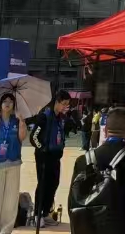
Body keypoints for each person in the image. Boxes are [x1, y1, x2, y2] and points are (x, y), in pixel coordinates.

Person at [28, 89, 71, 230]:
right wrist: (42, 148)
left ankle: (46, 212)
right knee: (43, 184)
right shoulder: (44, 116)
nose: (65, 107)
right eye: (64, 104)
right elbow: (33, 137)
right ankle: (37, 215)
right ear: (57, 102)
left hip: (55, 156)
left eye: (67, 104)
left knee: (54, 183)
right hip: (43, 156)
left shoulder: (60, 118)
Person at [0, 92, 27, 234]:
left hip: (14, 161)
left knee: (11, 199)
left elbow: (22, 138)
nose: (8, 103)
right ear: (0, 104)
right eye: (5, 100)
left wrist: (22, 121)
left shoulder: (16, 120)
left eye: (11, 101)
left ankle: (6, 228)